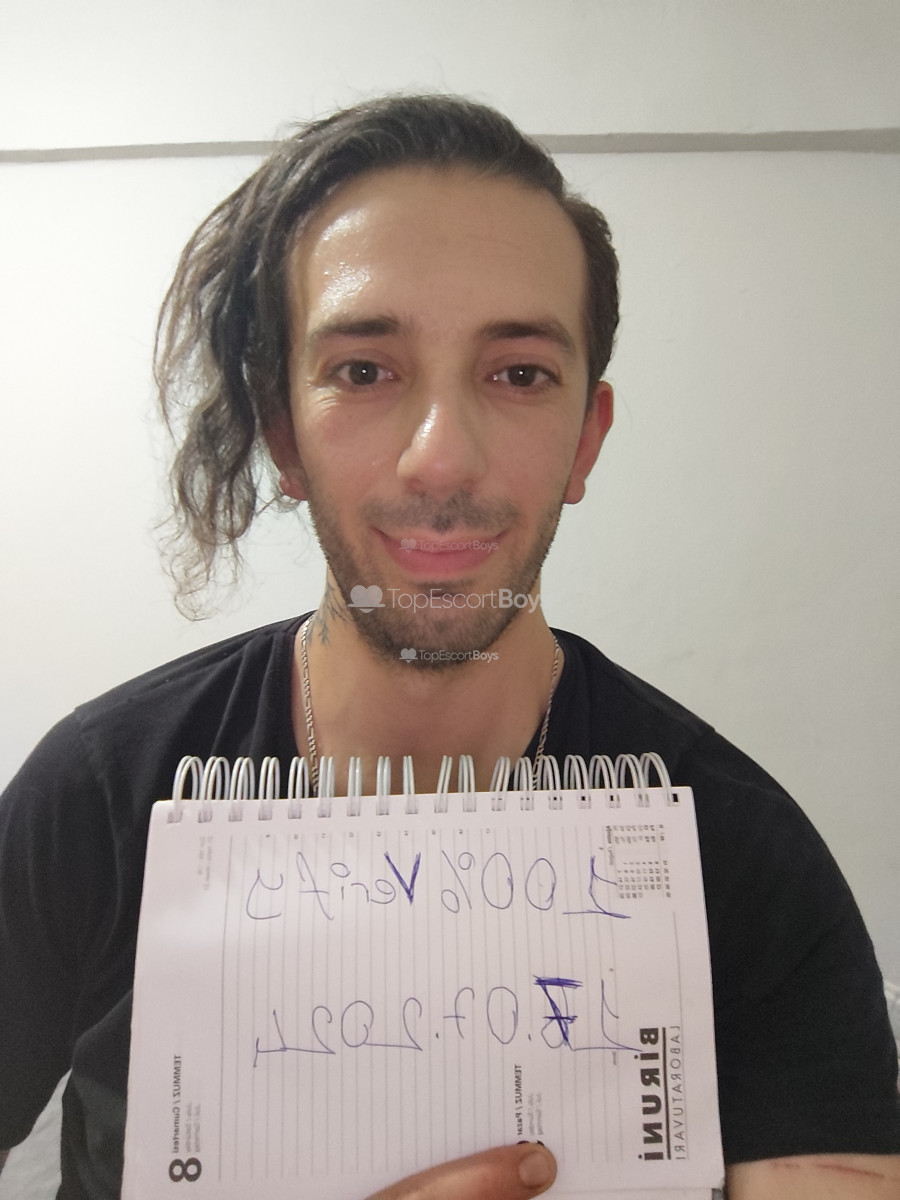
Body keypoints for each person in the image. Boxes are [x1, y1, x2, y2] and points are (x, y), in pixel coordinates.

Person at [0, 94, 898, 1200]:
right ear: (284, 435)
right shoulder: (95, 799)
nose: (440, 458)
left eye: (518, 373)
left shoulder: (747, 862)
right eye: (364, 371)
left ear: (586, 439)